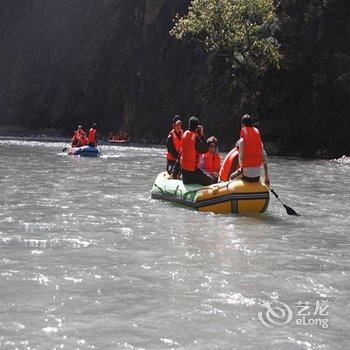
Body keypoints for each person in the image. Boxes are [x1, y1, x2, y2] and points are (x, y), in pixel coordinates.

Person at [230, 114, 270, 186]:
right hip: (257, 175)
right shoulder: (258, 141)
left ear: (243, 125)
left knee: (231, 177)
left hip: (247, 176)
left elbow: (241, 158)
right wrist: (266, 177)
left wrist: (241, 168)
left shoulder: (242, 141)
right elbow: (264, 157)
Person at [180, 117, 214, 185]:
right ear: (196, 127)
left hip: (184, 174)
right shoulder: (195, 138)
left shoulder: (184, 134)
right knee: (210, 179)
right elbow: (205, 149)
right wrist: (202, 135)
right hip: (192, 173)